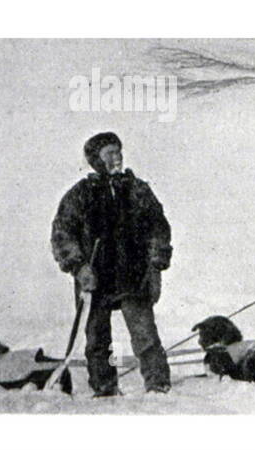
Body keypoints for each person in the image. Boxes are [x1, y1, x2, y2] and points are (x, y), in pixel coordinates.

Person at [51, 132, 173, 396]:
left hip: (133, 275)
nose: (117, 158)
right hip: (94, 278)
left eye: (118, 152)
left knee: (146, 336)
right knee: (97, 340)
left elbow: (158, 226)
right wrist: (79, 267)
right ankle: (105, 389)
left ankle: (158, 385)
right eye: (109, 154)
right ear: (96, 160)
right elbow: (62, 234)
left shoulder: (138, 189)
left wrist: (157, 260)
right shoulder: (80, 194)